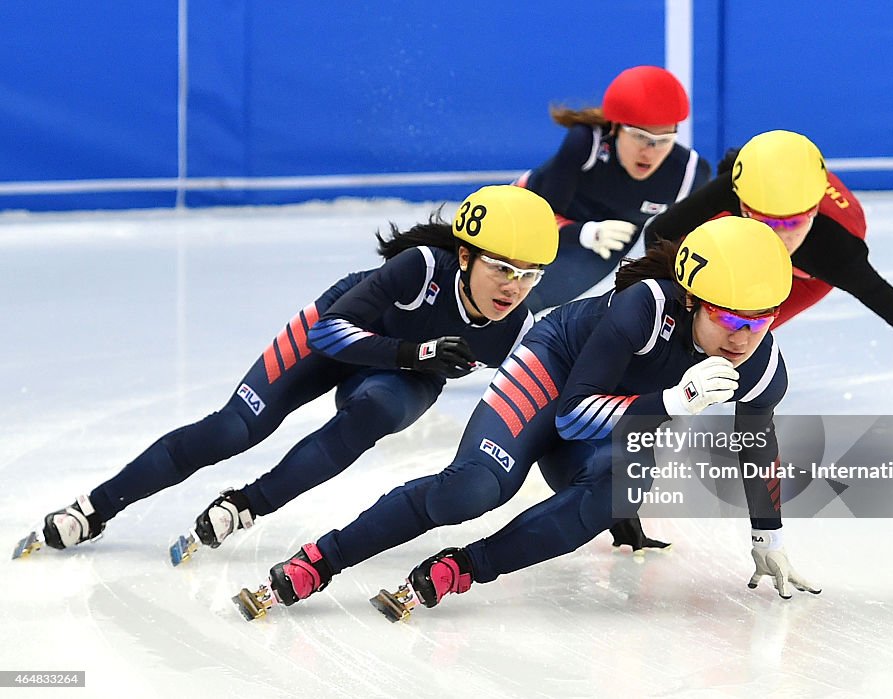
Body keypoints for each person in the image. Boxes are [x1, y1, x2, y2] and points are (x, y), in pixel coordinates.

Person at [237, 216, 819, 620]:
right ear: (692, 299)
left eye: (761, 320)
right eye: (729, 319)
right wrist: (672, 402)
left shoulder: (763, 365)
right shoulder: (645, 308)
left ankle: (462, 568)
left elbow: (755, 441)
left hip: (609, 414)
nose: (743, 338)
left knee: (611, 493)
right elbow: (572, 418)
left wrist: (767, 532)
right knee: (474, 489)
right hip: (554, 374)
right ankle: (324, 558)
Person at [31, 185, 559, 557]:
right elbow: (326, 334)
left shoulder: (513, 329)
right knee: (235, 427)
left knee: (373, 412)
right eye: (502, 268)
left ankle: (247, 505)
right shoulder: (420, 267)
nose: (513, 288)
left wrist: (609, 495)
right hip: (345, 333)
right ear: (465, 257)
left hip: (400, 374)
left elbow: (544, 409)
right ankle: (95, 507)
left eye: (531, 276)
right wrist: (417, 353)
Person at [644, 129, 893, 465]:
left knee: (741, 330)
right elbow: (657, 234)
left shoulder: (836, 253)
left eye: (791, 223)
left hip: (807, 275)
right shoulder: (738, 186)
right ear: (743, 203)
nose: (777, 236)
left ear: (813, 212)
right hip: (756, 202)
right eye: (763, 220)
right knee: (702, 322)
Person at [517, 65, 712, 313]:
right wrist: (586, 233)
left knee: (528, 305)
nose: (649, 151)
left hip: (606, 243)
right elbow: (539, 220)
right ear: (616, 127)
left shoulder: (689, 174)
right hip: (536, 215)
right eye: (640, 136)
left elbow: (685, 247)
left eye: (663, 141)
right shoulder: (585, 142)